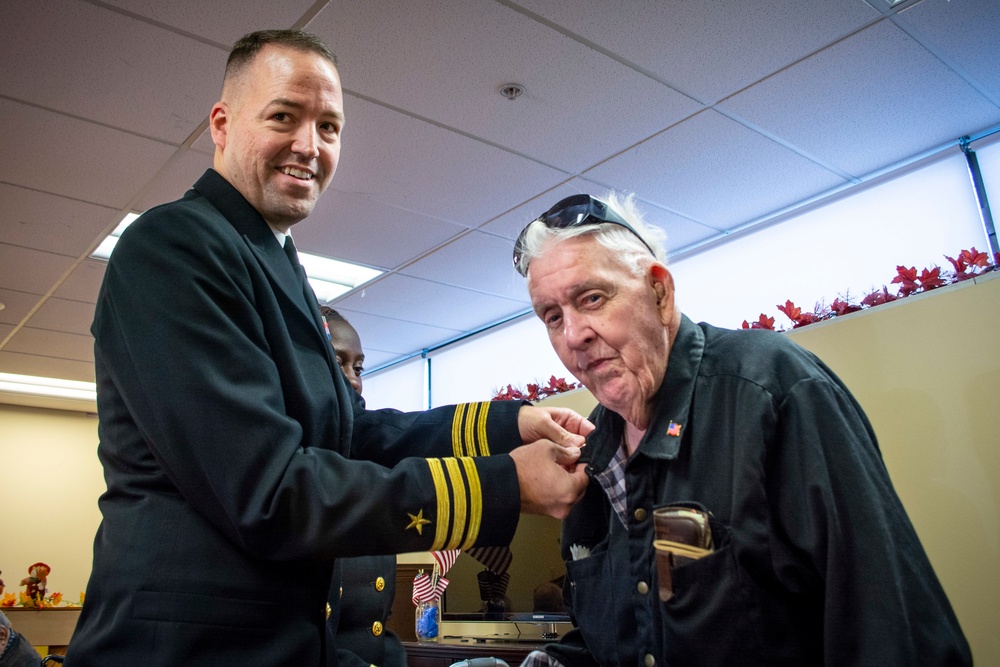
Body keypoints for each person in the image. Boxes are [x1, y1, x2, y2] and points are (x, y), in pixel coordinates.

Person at [65, 30, 591, 666]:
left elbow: (348, 434)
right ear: (223, 125)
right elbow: (270, 491)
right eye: (284, 116)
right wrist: (503, 484)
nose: (309, 146)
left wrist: (509, 425)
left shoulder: (275, 260)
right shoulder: (175, 245)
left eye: (329, 127)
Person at [512, 193, 972, 666]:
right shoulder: (593, 454)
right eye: (552, 317)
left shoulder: (771, 391)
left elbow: (889, 630)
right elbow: (624, 634)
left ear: (659, 293)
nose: (573, 335)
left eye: (592, 298)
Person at [319, 306, 405, 667]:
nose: (353, 380)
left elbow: (376, 628)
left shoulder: (368, 474)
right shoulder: (289, 475)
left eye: (359, 367)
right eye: (338, 361)